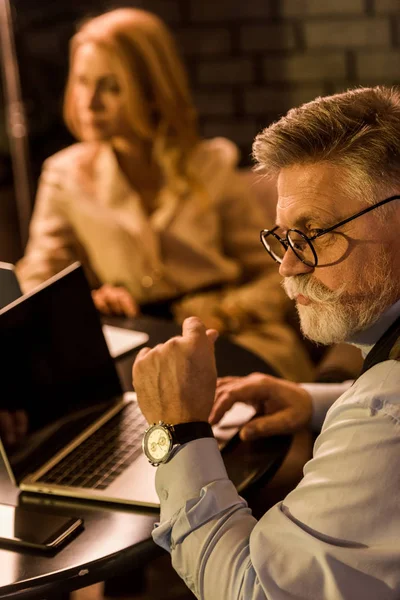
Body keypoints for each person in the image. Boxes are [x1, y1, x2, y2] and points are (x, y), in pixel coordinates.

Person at [133, 86, 400, 599]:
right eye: (283, 237)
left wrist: (176, 430)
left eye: (315, 233)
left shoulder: (384, 412)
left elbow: (250, 591)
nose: (289, 265)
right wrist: (317, 401)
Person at [15, 7, 312, 382]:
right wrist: (86, 304)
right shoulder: (65, 175)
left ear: (153, 90)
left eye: (110, 86)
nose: (89, 103)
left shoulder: (210, 164)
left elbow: (277, 274)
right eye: (81, 82)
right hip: (135, 347)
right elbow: (37, 285)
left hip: (237, 338)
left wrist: (223, 315)